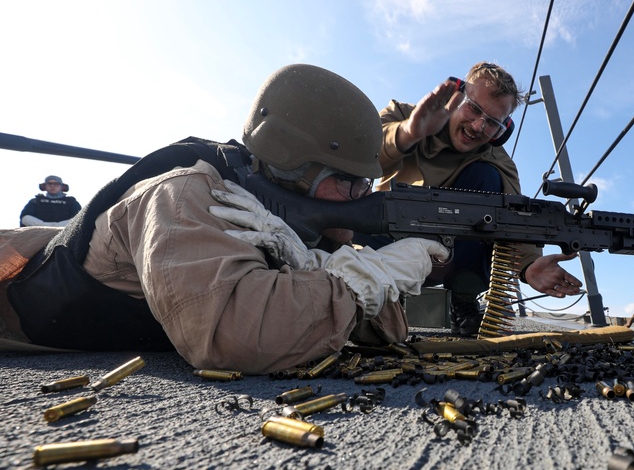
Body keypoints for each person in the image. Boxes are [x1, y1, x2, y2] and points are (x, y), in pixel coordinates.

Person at [0, 64, 447, 374]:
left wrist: (335, 270)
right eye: (350, 183)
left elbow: (385, 331)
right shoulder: (183, 197)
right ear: (297, 170)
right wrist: (362, 280)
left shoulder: (285, 225)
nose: (361, 199)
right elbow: (235, 336)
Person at [376, 61, 582, 336]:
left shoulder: (498, 162)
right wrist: (409, 133)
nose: (477, 126)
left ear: (502, 131)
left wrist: (529, 266)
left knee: (487, 179)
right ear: (456, 98)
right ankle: (382, 296)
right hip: (386, 239)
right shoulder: (404, 115)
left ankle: (464, 301)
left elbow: (514, 218)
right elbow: (361, 156)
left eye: (493, 123)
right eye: (474, 108)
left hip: (448, 255)